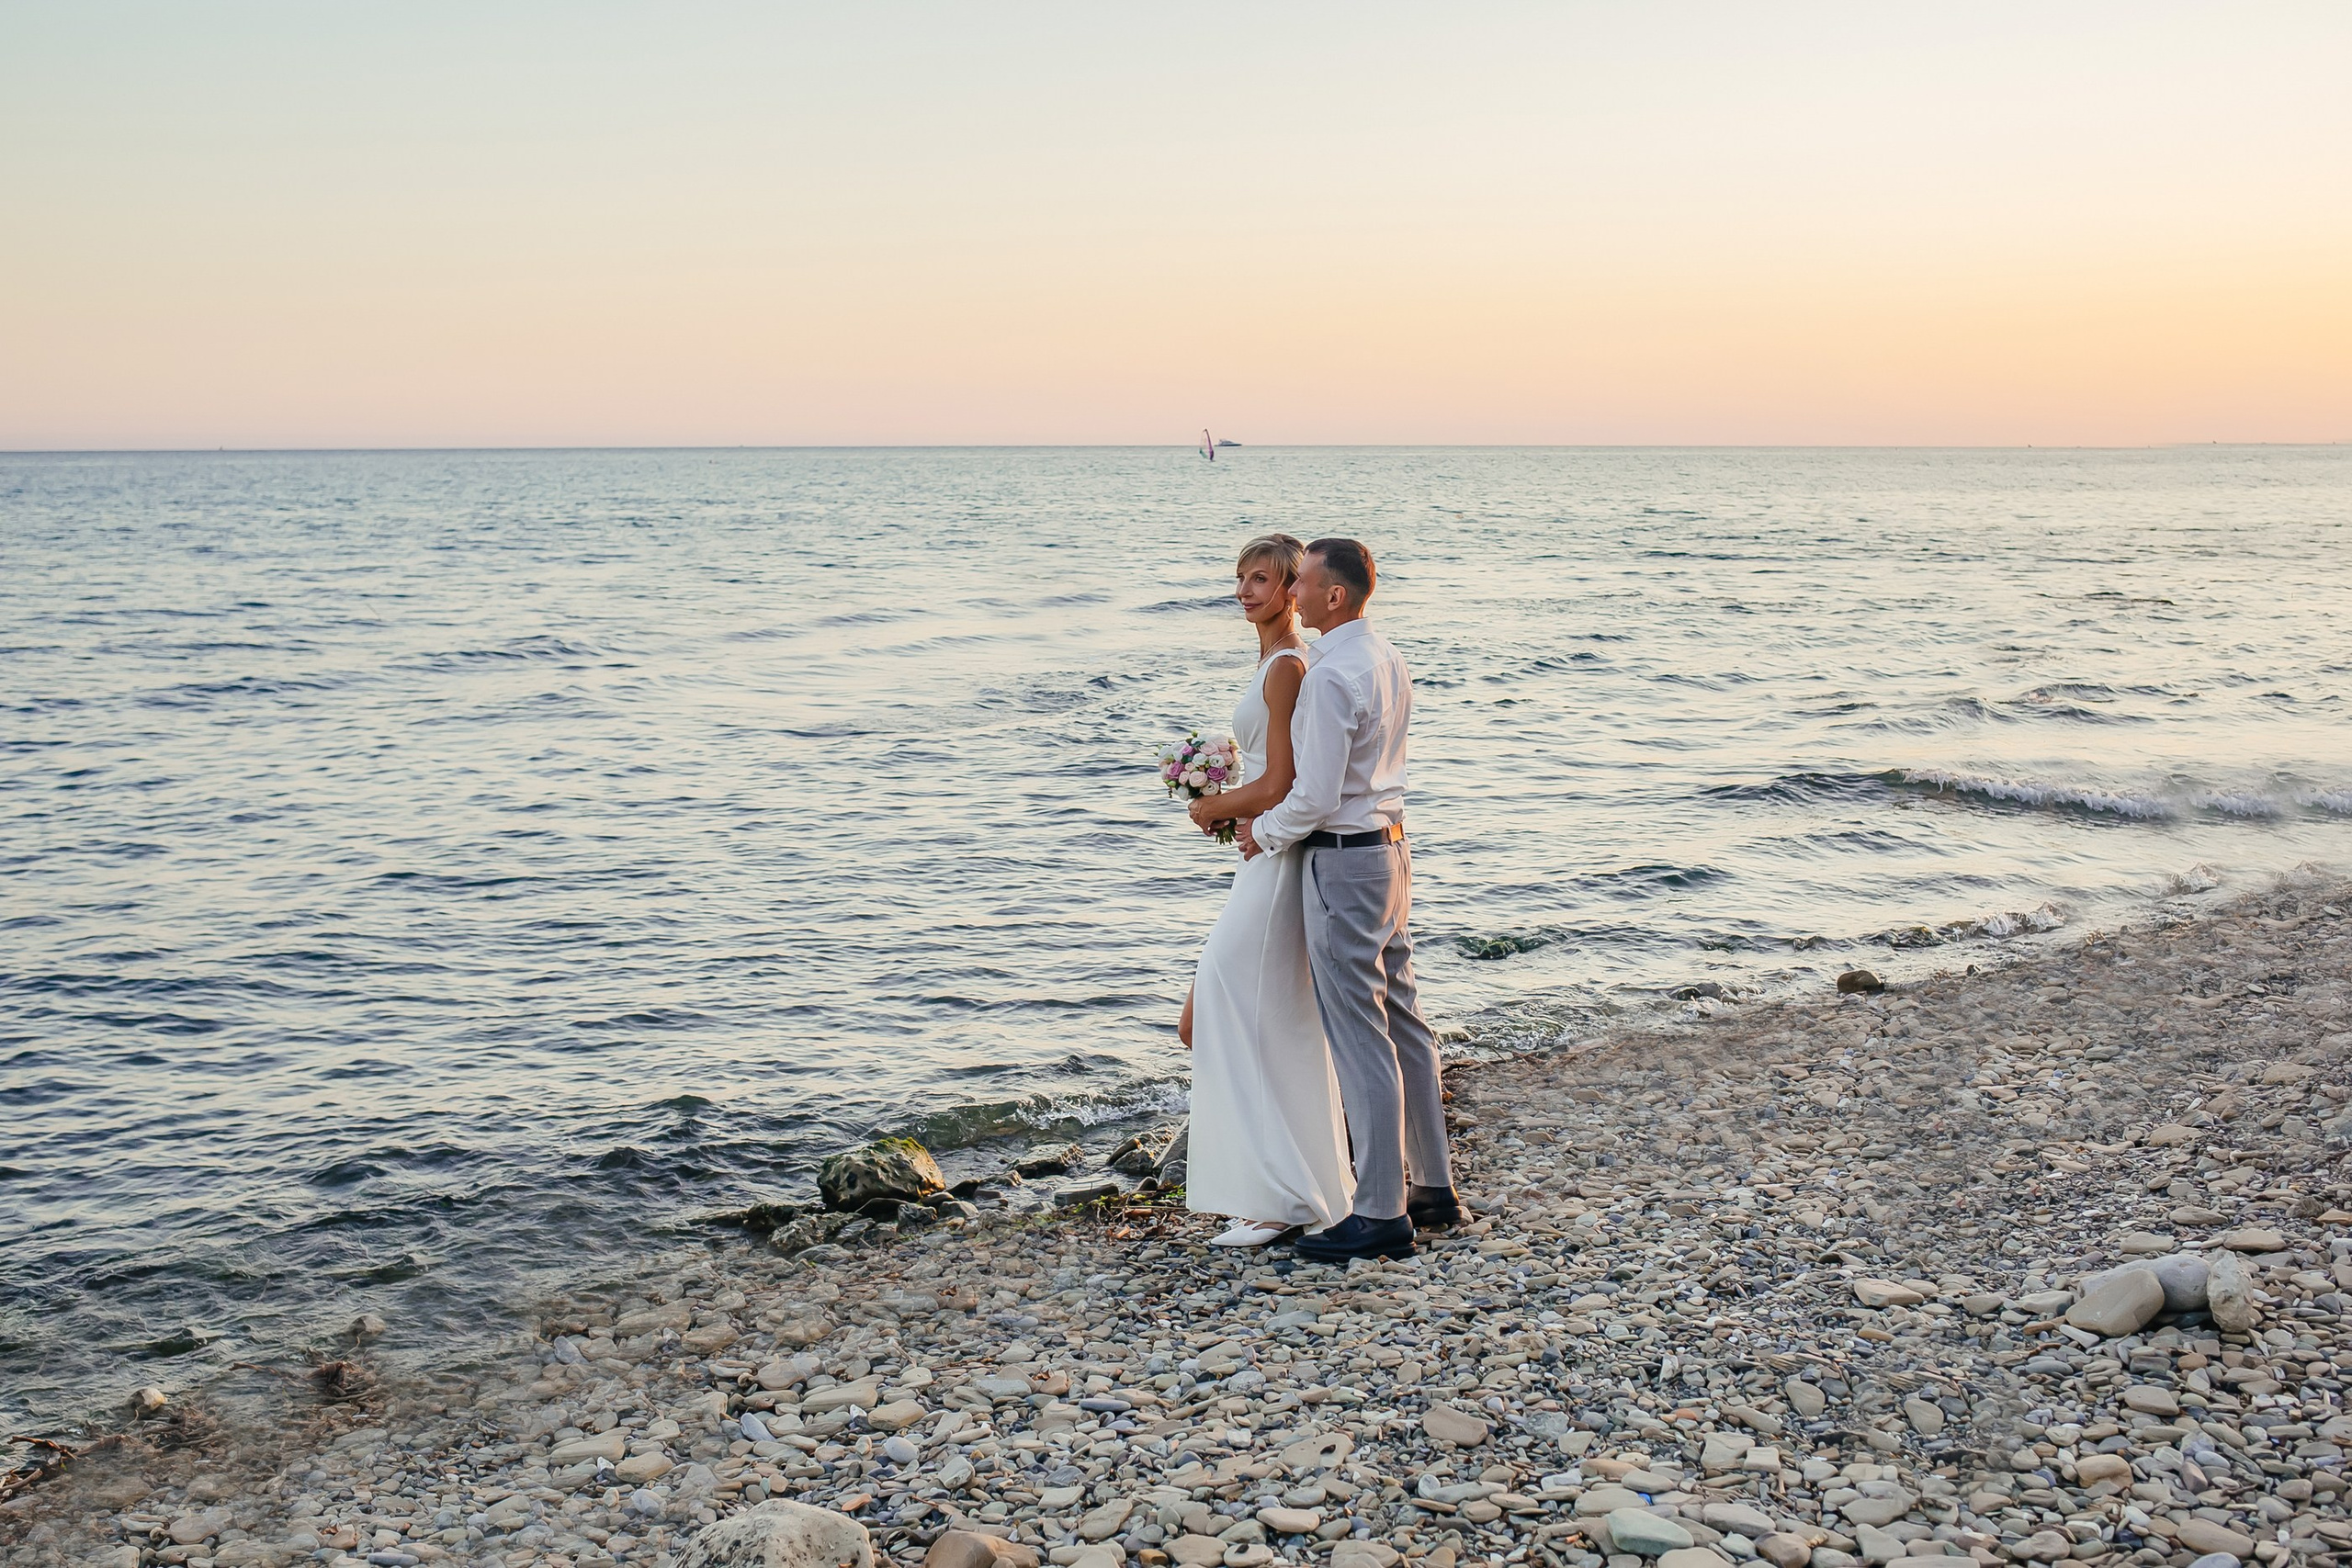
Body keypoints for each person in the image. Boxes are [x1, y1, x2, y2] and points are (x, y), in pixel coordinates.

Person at [1237, 537, 1464, 1265]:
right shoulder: (1385, 655)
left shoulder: (1332, 674)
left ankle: (1379, 1211)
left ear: (1334, 596)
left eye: (1301, 582)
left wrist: (1262, 831)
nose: (1292, 594)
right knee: (1404, 1020)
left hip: (1343, 860)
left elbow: (1316, 794)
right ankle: (1433, 1187)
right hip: (1391, 850)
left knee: (1362, 1032)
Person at [1177, 535, 1358, 1247]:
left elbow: (1281, 781)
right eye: (1240, 577)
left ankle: (1281, 1198)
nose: (1245, 590)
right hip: (1262, 854)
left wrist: (1212, 805)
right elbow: (1267, 769)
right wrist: (1227, 795)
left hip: (1278, 862)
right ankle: (1276, 1190)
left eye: (1261, 579)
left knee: (1226, 1009)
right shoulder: (1271, 660)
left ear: (1292, 590)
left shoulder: (1287, 666)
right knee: (1252, 1018)